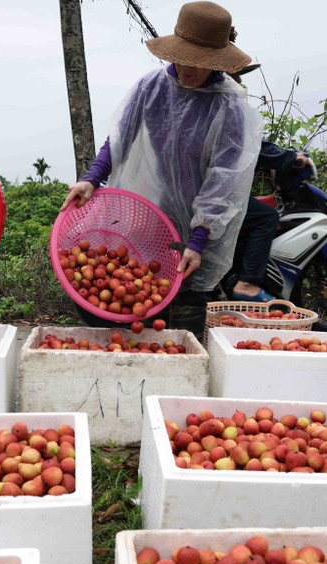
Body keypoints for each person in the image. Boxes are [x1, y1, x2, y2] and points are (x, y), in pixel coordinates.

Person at [61, 1, 263, 335]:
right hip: (151, 210)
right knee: (128, 304)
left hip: (202, 225)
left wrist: (198, 241)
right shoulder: (151, 88)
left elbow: (223, 181)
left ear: (216, 61)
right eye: (181, 56)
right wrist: (91, 179)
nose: (186, 66)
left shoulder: (229, 108)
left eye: (197, 62)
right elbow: (119, 139)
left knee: (183, 320)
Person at [218, 140, 314, 302]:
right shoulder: (229, 120)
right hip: (218, 194)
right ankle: (246, 284)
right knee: (267, 217)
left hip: (205, 190)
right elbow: (250, 144)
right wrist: (291, 158)